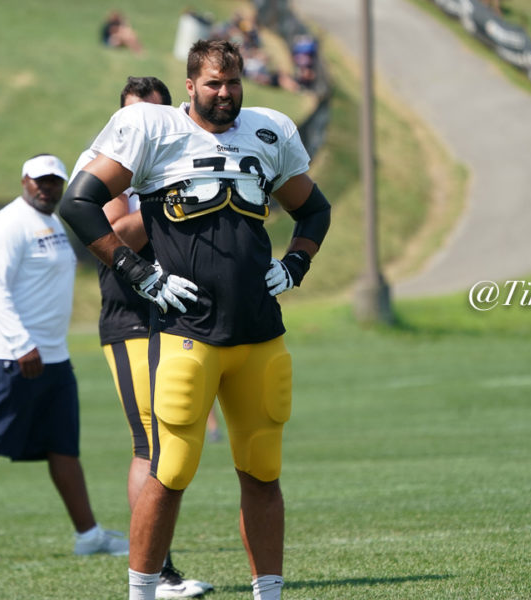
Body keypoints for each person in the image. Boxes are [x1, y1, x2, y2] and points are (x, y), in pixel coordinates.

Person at [59, 39, 331, 600]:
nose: (225, 94)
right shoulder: (153, 128)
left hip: (259, 330)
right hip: (188, 333)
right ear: (189, 85)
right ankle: (142, 592)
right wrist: (140, 273)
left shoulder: (269, 129)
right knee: (170, 469)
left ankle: (269, 592)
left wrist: (297, 261)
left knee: (262, 469)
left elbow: (314, 208)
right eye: (213, 83)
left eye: (232, 83)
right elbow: (78, 203)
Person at [0, 154, 128, 563]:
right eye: (40, 181)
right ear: (24, 181)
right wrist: (20, 344)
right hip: (10, 352)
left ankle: (88, 535)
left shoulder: (53, 222)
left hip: (51, 354)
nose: (46, 188)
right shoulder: (8, 224)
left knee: (63, 447)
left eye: (54, 182)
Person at [73, 75, 213, 599]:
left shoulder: (180, 147)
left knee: (174, 440)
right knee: (150, 443)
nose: (145, 127)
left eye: (154, 115)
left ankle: (161, 571)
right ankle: (161, 575)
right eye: (135, 116)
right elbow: (111, 232)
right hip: (130, 315)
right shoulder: (108, 159)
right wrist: (166, 201)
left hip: (178, 315)